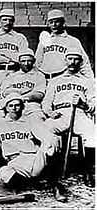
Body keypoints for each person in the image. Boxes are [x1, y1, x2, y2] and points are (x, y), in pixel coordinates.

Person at [0, 93, 58, 192]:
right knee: (3, 172)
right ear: (6, 108)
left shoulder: (30, 121)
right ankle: (30, 183)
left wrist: (47, 146)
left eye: (17, 105)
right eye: (11, 106)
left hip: (33, 159)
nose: (14, 108)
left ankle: (47, 178)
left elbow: (45, 136)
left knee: (51, 141)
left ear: (22, 107)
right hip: (15, 162)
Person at [42, 48, 95, 190]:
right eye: (70, 58)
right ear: (64, 60)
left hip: (79, 114)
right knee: (46, 129)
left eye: (76, 59)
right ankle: (50, 170)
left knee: (92, 132)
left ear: (81, 61)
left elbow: (94, 104)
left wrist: (83, 104)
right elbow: (46, 103)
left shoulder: (88, 81)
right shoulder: (55, 80)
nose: (73, 62)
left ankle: (88, 171)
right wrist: (50, 112)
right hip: (59, 113)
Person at [35, 9, 94, 80]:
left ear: (63, 22)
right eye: (51, 22)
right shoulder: (45, 40)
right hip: (45, 78)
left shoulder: (72, 41)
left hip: (63, 77)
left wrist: (91, 80)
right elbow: (37, 61)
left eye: (57, 21)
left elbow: (84, 63)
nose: (54, 25)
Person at [0, 48, 46, 123]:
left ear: (34, 61)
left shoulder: (39, 76)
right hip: (12, 105)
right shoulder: (12, 76)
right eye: (23, 61)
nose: (26, 63)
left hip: (31, 105)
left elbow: (39, 94)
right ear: (19, 62)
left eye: (29, 61)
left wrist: (17, 94)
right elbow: (4, 92)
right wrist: (21, 93)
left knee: (39, 118)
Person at [0, 9, 29, 74]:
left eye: (10, 20)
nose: (8, 23)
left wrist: (5, 55)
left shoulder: (20, 37)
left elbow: (23, 57)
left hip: (14, 71)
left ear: (13, 21)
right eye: (5, 20)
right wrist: (13, 56)